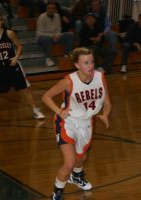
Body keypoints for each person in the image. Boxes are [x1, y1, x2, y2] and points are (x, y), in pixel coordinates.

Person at [42, 47, 111, 200]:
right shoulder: (68, 81)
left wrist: (105, 115)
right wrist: (59, 112)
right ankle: (57, 193)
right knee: (69, 163)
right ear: (77, 65)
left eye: (92, 62)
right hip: (67, 122)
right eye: (86, 63)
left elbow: (107, 103)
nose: (90, 65)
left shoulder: (100, 77)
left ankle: (77, 176)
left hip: (86, 122)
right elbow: (46, 97)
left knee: (81, 158)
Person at [0, 14, 45, 121]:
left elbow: (19, 46)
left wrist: (16, 57)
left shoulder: (9, 33)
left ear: (2, 21)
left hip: (12, 65)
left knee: (25, 89)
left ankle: (35, 110)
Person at [36, 2, 74, 67]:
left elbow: (59, 28)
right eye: (49, 8)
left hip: (55, 37)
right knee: (46, 39)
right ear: (46, 9)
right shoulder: (41, 17)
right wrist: (52, 36)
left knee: (70, 34)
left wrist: (57, 35)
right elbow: (40, 33)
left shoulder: (57, 16)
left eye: (53, 8)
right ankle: (48, 58)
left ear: (55, 9)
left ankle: (66, 55)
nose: (51, 10)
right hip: (43, 37)